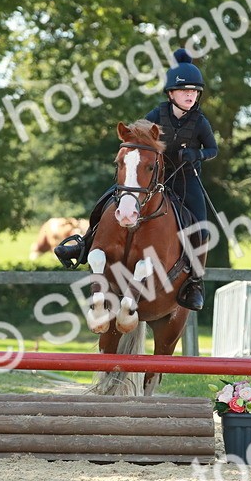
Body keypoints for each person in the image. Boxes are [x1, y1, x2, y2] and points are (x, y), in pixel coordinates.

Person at [54, 48, 218, 311]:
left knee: (201, 228)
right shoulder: (158, 114)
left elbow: (213, 150)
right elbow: (135, 134)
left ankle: (195, 282)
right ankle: (84, 244)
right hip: (149, 178)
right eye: (185, 90)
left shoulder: (200, 122)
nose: (191, 95)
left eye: (195, 91)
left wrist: (195, 154)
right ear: (171, 94)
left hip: (186, 180)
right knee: (107, 201)